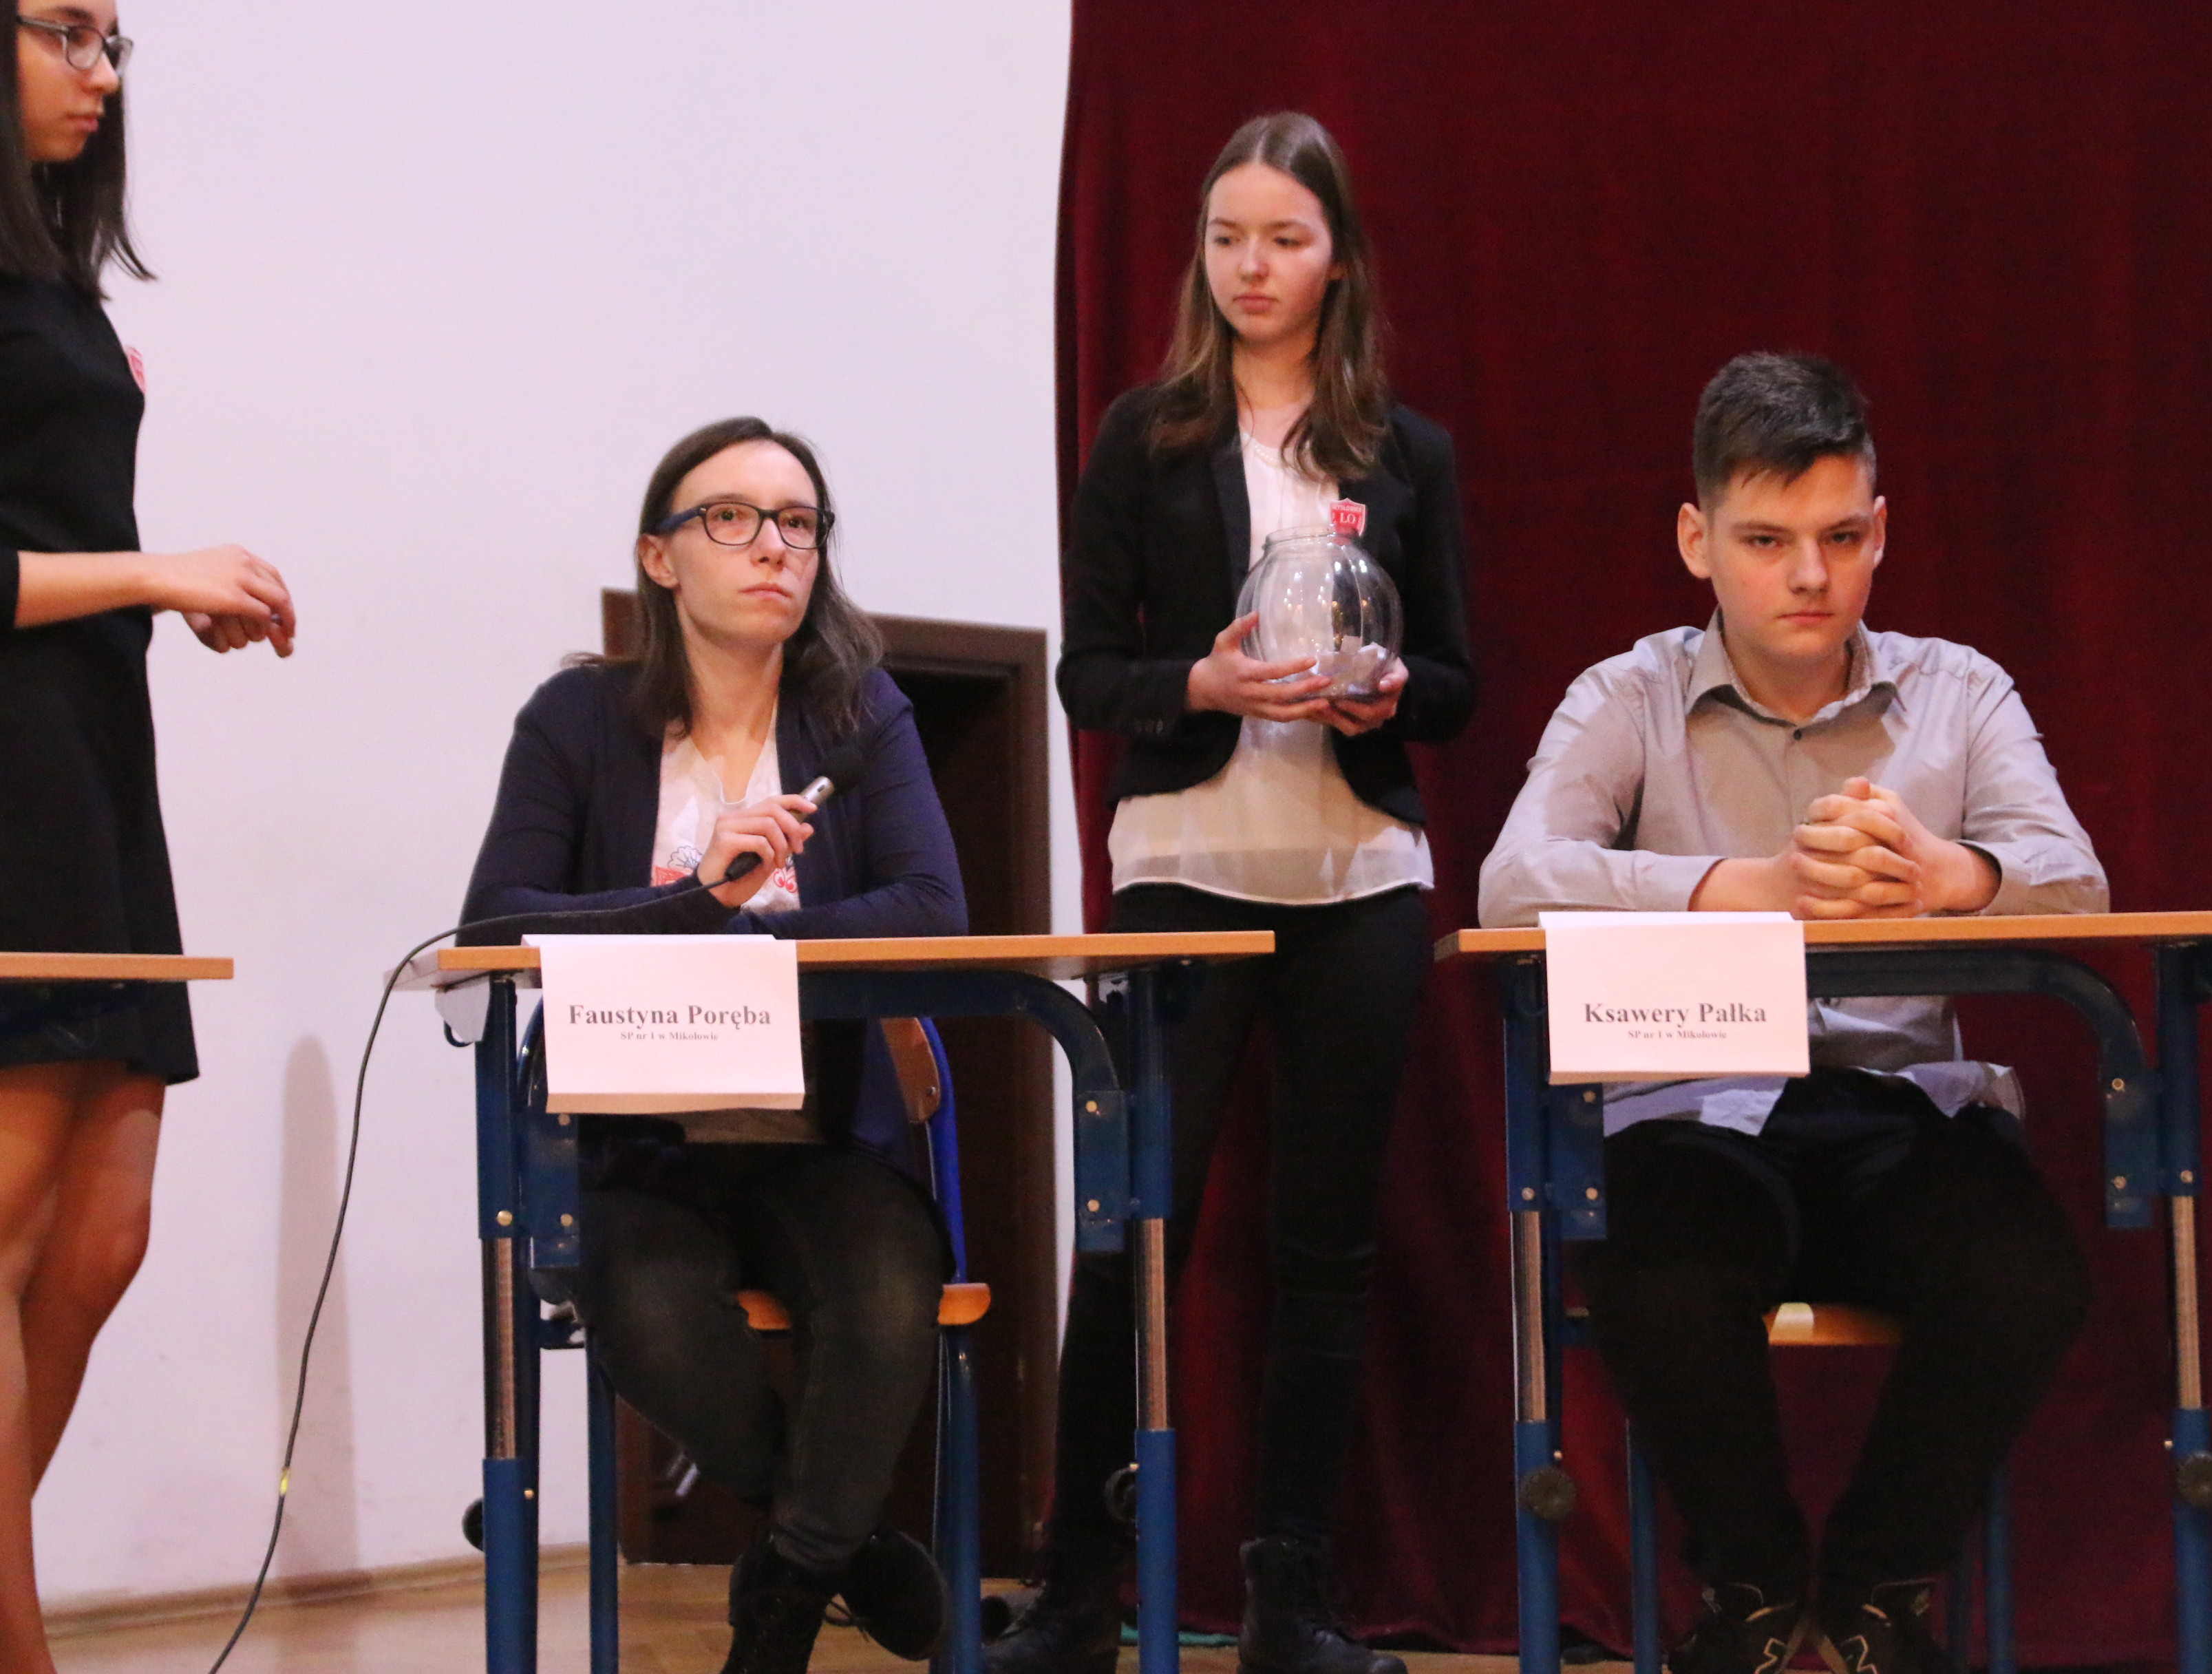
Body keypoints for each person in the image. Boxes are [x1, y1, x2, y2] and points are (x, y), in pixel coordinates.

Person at [1479, 353, 2104, 1674]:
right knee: (1658, 1269)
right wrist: (1741, 889)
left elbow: (2077, 878)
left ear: (1881, 532)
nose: (1809, 577)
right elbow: (1513, 882)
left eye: (1840, 538)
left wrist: (1952, 877)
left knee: (2027, 1275)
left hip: (1897, 1112)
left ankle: (1876, 1590)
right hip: (1693, 1107)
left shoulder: (1961, 690)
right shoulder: (1627, 694)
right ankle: (1755, 1595)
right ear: (1697, 540)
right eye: (1766, 541)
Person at [996, 112, 1473, 1674]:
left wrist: (1390, 689)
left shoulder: (1406, 450)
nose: (1251, 267)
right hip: (1185, 872)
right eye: (1226, 238)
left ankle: (1291, 1596)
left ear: (1339, 257)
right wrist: (1196, 682)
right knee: (1134, 1225)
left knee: (1326, 1248)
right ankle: (1079, 1587)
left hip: (1362, 875)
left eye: (1284, 237)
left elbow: (1458, 678)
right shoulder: (1145, 434)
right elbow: (1090, 671)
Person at [460, 418, 966, 1674]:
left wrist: (742, 935)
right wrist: (698, 898)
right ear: (661, 556)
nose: (772, 547)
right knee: (652, 1309)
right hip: (635, 1146)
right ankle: (849, 1547)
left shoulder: (860, 712)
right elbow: (497, 923)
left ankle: (781, 1606)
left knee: (888, 1291)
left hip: (820, 1133)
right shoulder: (579, 716)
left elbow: (931, 910)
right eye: (731, 518)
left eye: (798, 523)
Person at [1, 9, 300, 1667]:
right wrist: (150, 572)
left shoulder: (56, 278)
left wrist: (159, 596)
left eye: (119, 41)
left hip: (95, 759)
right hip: (13, 776)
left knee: (99, 1239)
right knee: (9, 1229)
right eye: (67, 32)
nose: (104, 72)